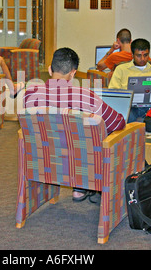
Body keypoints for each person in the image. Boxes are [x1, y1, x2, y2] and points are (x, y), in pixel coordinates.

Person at [24, 47, 126, 202]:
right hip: (82, 163)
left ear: (50, 69)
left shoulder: (30, 94)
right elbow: (117, 123)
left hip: (45, 160)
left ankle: (79, 189)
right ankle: (83, 186)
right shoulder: (86, 97)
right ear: (73, 73)